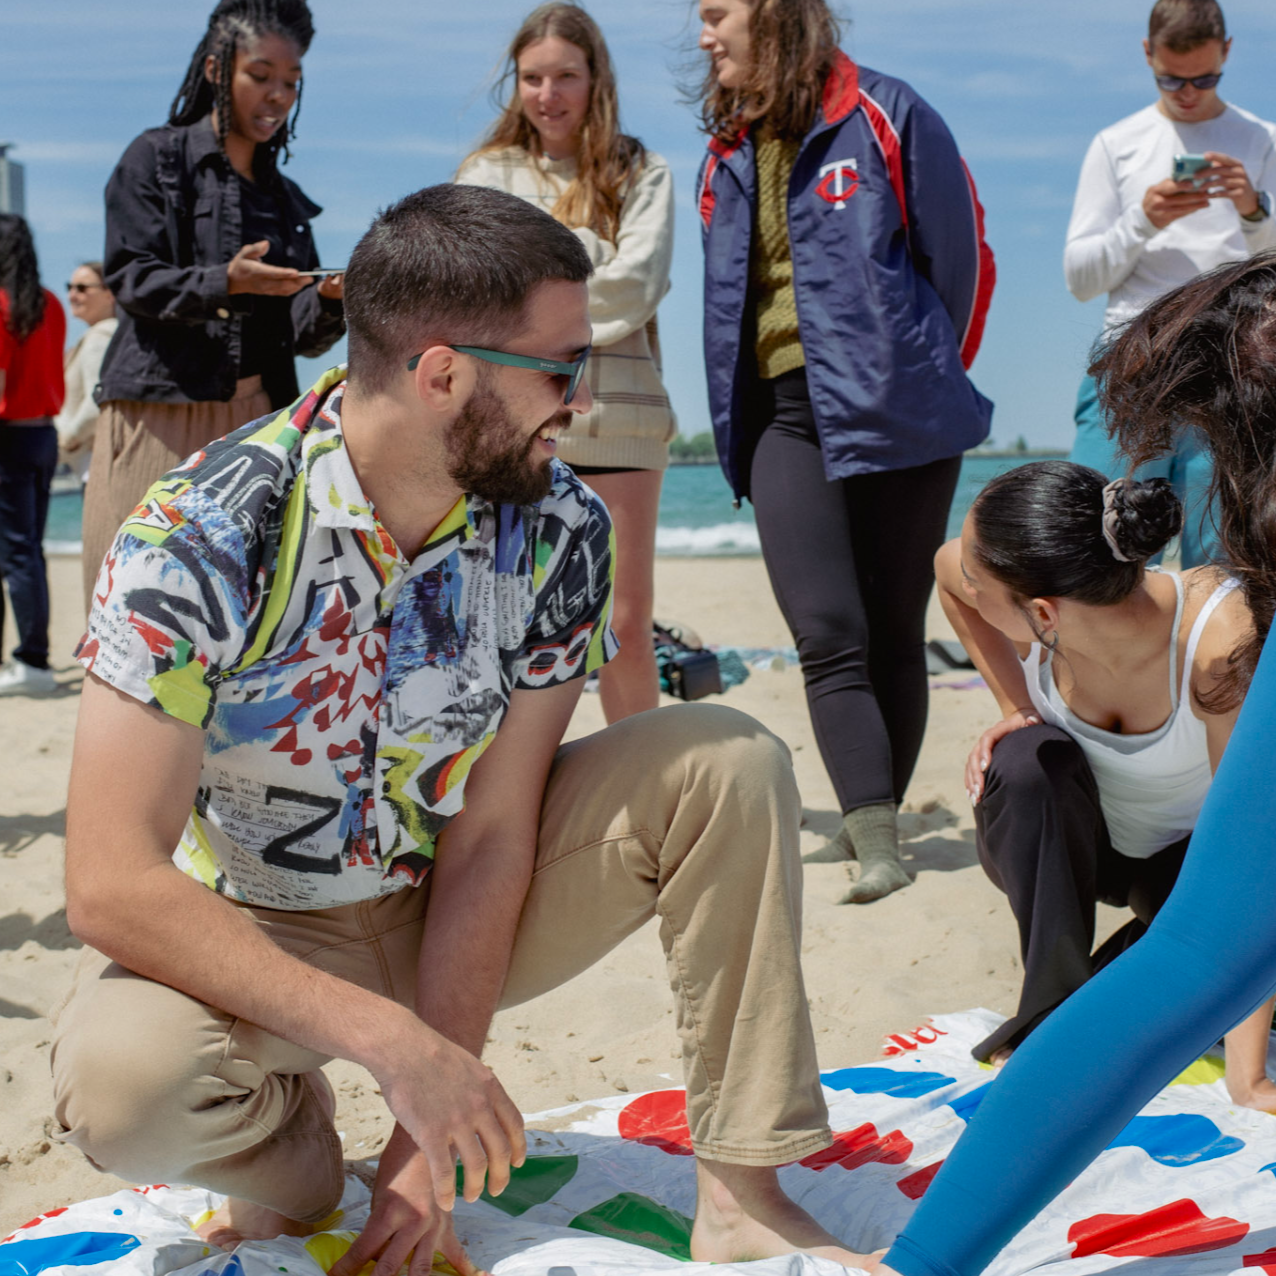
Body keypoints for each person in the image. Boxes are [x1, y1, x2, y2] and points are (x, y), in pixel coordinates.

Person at [51, 184, 875, 1276]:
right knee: (114, 1087)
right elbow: (109, 882)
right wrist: (401, 1056)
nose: (577, 402)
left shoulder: (562, 526)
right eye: (559, 366)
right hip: (262, 929)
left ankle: (742, 1192)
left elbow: (495, 831)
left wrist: (419, 1136)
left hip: (454, 888)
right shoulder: (204, 529)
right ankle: (296, 1173)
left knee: (726, 758)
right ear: (443, 372)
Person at [876, 253, 1276, 1276]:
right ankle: (1050, 993)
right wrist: (1014, 708)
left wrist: (919, 1262)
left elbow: (1207, 952)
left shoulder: (1222, 632)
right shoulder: (1049, 605)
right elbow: (955, 572)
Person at [694, 0, 995, 901]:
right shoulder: (724, 155)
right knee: (827, 631)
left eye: (718, 14)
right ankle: (872, 831)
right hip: (781, 418)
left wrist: (922, 370)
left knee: (895, 630)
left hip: (900, 411)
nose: (705, 35)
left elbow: (960, 262)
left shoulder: (890, 114)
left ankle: (881, 831)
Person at [933, 461, 1273, 1102]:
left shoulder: (1214, 645)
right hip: (1072, 841)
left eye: (985, 587)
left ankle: (1133, 965)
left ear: (1042, 610)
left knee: (1236, 973)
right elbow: (948, 571)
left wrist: (1247, 1077)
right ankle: (1050, 1011)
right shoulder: (1015, 582)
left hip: (1185, 862)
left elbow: (1252, 860)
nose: (972, 589)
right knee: (1027, 760)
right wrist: (1015, 708)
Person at [81, 0, 345, 612]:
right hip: (158, 412)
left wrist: (328, 300)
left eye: (291, 82)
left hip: (257, 421)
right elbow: (131, 279)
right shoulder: (156, 159)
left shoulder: (285, 201)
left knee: (235, 624)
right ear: (214, 70)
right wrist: (224, 282)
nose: (277, 95)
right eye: (261, 75)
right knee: (125, 611)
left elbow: (298, 337)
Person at [456, 2, 676, 723]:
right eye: (532, 78)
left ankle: (643, 793)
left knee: (623, 625)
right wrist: (589, 255)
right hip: (514, 419)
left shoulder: (644, 170)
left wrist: (539, 268)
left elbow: (635, 289)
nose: (548, 94)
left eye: (566, 77)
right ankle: (507, 803)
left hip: (621, 419)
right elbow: (476, 290)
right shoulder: (485, 171)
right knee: (504, 622)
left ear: (596, 78)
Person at [1064, 0, 1276, 568]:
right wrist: (1144, 219)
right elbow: (1081, 278)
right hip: (1133, 358)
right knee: (1102, 549)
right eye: (1171, 78)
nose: (1187, 92)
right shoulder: (1117, 143)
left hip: (1235, 362)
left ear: (1228, 52)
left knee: (1228, 560)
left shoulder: (1261, 140)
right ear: (1147, 54)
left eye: (1205, 79)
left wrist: (1254, 210)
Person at [0, 213, 66, 698]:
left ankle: (32, 663)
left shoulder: (2, 305)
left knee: (16, 553)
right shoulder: (49, 304)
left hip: (8, 439)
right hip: (42, 435)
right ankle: (32, 657)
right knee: (27, 551)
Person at [55, 262, 117, 482]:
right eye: (70, 287)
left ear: (109, 293)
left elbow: (96, 402)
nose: (72, 295)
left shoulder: (100, 336)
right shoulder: (109, 334)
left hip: (92, 462)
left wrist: (66, 440)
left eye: (82, 288)